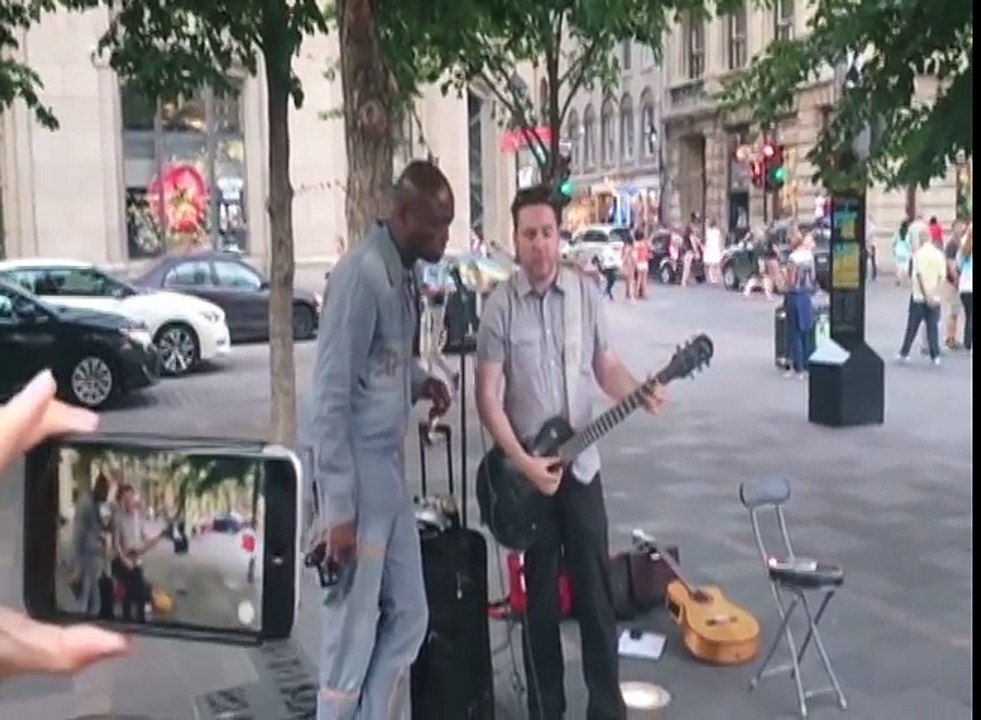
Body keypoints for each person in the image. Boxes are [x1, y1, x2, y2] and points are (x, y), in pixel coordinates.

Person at [475, 184, 667, 720]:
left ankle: (607, 708)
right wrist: (524, 463)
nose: (540, 244)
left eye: (548, 233)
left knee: (596, 597)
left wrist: (637, 390)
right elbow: (488, 399)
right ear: (515, 239)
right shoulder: (499, 309)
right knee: (538, 604)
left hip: (582, 471)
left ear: (561, 236)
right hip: (527, 476)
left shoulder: (586, 294)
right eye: (529, 234)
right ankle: (546, 708)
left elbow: (603, 365)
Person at [312, 160, 453, 720]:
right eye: (436, 225)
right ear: (402, 215)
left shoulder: (403, 270)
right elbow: (329, 396)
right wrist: (338, 508)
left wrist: (424, 382)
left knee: (411, 617)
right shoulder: (361, 274)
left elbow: (385, 363)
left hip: (388, 475)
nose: (445, 235)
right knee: (350, 635)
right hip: (360, 481)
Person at [0, 369, 130, 680]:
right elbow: (88, 532)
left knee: (92, 597)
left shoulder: (93, 502)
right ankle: (88, 616)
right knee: (90, 596)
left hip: (90, 557)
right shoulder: (88, 503)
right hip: (86, 557)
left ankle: (89, 615)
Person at [898, 226, 946, 365]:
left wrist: (926, 295)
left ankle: (904, 352)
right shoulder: (938, 254)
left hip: (919, 296)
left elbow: (917, 275)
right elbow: (941, 276)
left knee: (912, 326)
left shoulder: (918, 254)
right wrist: (935, 293)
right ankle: (935, 355)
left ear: (920, 239)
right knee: (932, 327)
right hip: (935, 297)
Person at [782, 230, 817, 379]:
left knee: (794, 332)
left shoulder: (793, 258)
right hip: (806, 295)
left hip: (794, 295)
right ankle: (808, 364)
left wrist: (784, 276)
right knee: (806, 331)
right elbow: (814, 276)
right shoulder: (809, 256)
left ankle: (799, 366)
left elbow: (791, 280)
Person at [957, 225, 973, 354]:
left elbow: (958, 264)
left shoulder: (963, 246)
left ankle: (967, 342)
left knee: (968, 315)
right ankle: (970, 343)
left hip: (964, 286)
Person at [703, 217, 724, 284]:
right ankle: (714, 277)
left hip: (710, 247)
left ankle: (712, 277)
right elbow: (720, 240)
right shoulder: (717, 231)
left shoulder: (708, 231)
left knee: (712, 264)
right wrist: (721, 248)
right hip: (715, 247)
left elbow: (707, 240)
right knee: (716, 263)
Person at [891, 219, 912, 286]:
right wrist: (910, 250)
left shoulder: (897, 232)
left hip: (898, 251)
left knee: (898, 267)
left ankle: (898, 279)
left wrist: (893, 249)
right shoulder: (908, 233)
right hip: (905, 251)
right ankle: (906, 280)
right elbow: (909, 243)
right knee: (906, 266)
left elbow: (893, 241)